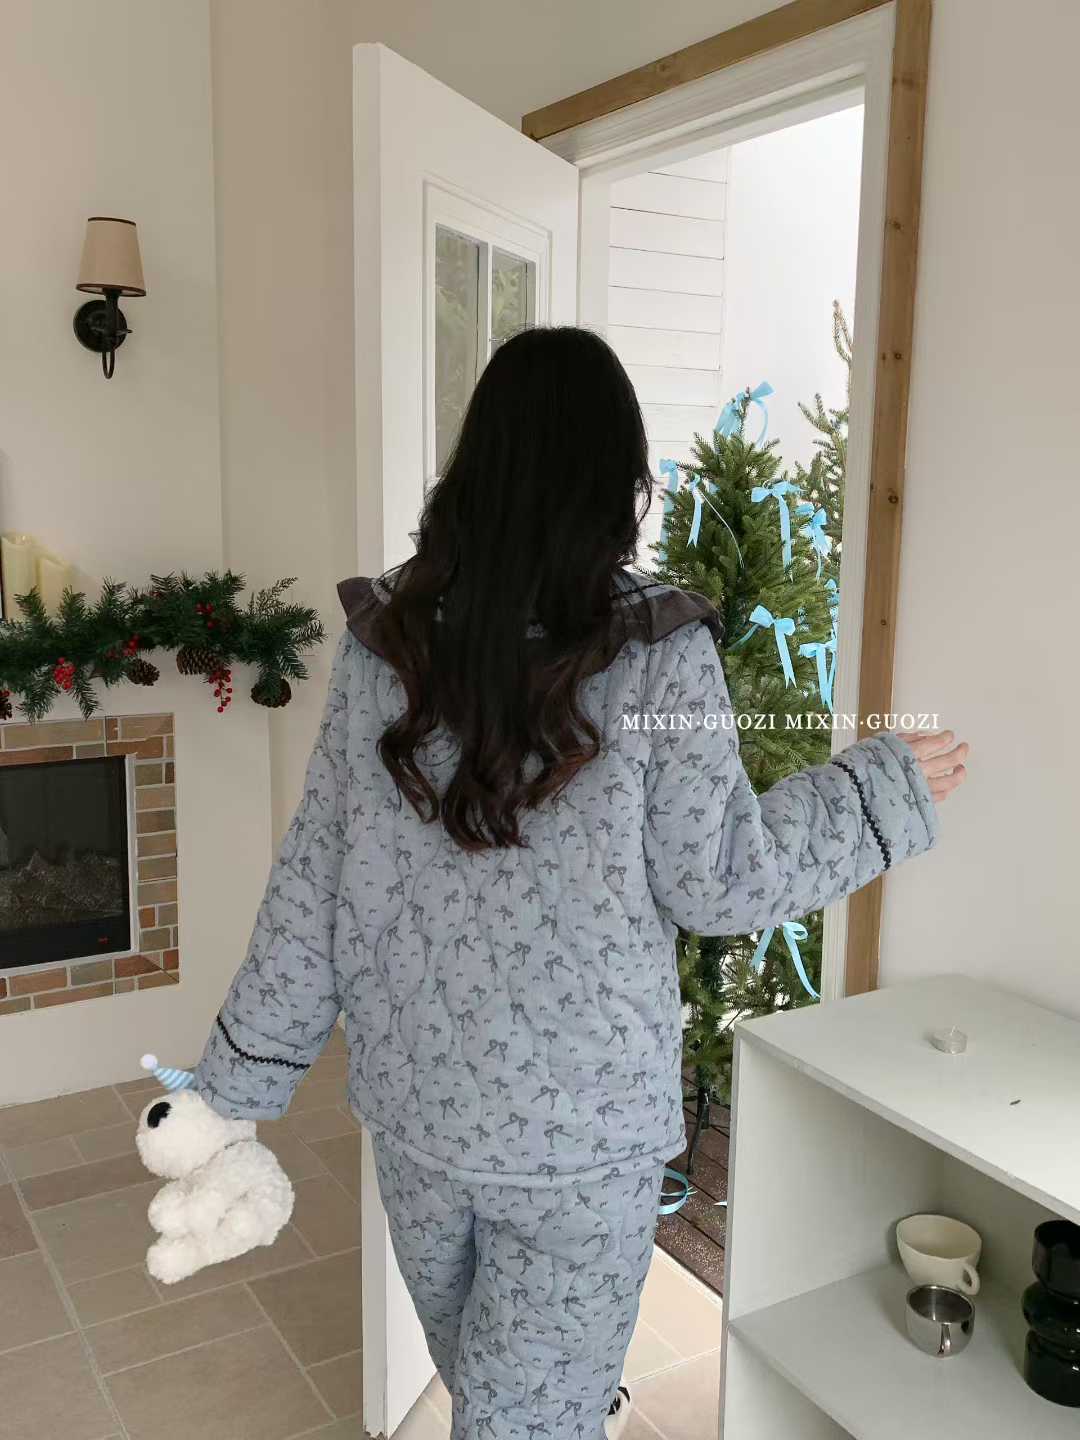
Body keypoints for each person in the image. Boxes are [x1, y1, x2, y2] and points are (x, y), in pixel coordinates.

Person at [194, 326, 967, 1439]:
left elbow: (313, 882)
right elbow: (720, 879)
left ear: (476, 464)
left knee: (496, 1394)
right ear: (619, 478)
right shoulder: (657, 651)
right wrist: (878, 793)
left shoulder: (386, 647)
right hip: (580, 1140)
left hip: (420, 1121)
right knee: (520, 1414)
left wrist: (233, 1086)